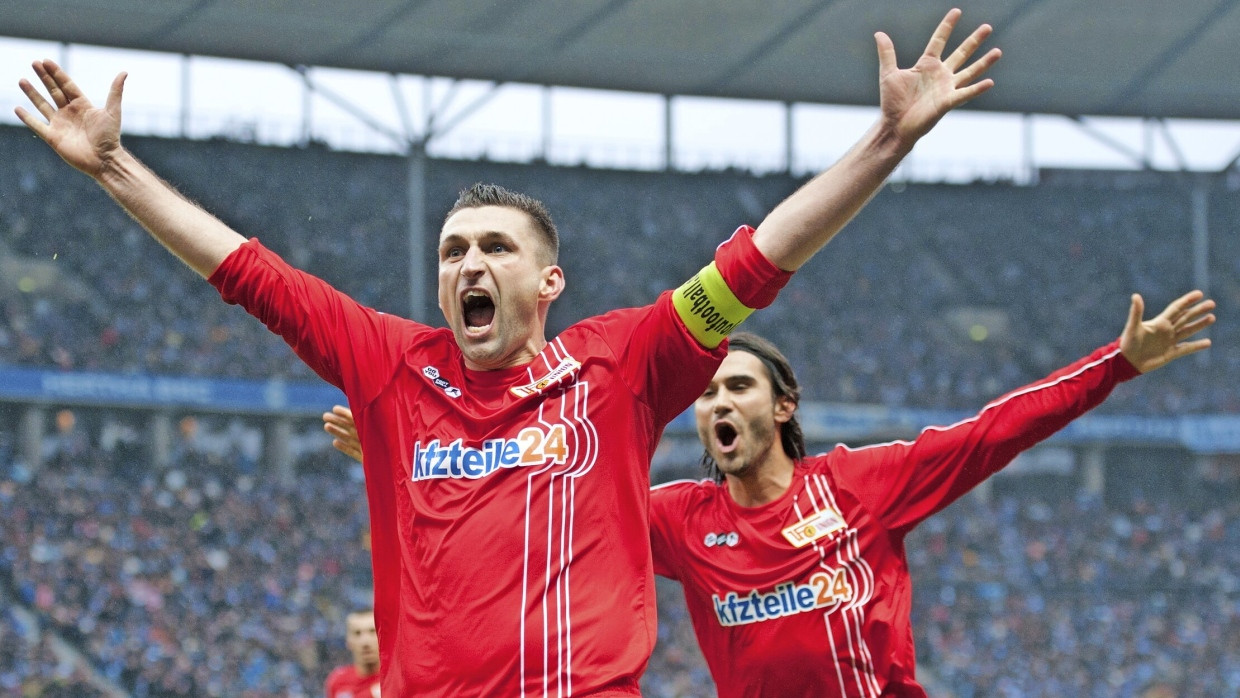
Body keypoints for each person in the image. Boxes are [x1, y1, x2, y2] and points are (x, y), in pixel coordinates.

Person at [16, 10, 999, 696]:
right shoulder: (394, 365)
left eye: (494, 247)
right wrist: (112, 166)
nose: (469, 264)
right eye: (452, 252)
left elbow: (757, 258)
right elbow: (250, 272)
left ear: (547, 282)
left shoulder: (623, 364)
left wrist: (884, 143)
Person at [327, 292, 1216, 696]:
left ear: (782, 406)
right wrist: (393, 452)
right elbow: (529, 512)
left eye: (738, 387)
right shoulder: (676, 518)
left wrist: (1119, 365)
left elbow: (990, 433)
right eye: (709, 391)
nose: (717, 401)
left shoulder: (862, 486)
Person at [324, 609, 381, 698]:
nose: (365, 642)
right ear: (348, 641)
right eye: (357, 633)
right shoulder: (337, 681)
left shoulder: (395, 678)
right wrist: (372, 694)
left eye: (372, 631)